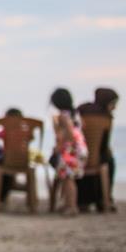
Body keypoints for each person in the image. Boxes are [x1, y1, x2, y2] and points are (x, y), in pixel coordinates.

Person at [77, 87, 119, 211]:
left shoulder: (81, 110)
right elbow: (104, 145)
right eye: (113, 104)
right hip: (93, 159)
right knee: (108, 160)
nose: (114, 108)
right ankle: (103, 200)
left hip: (76, 156)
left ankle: (82, 200)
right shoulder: (106, 118)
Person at [50, 88, 88, 216]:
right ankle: (68, 204)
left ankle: (71, 206)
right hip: (81, 148)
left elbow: (69, 135)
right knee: (70, 178)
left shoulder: (62, 116)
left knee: (68, 178)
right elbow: (82, 127)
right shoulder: (76, 114)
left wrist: (58, 147)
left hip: (70, 150)